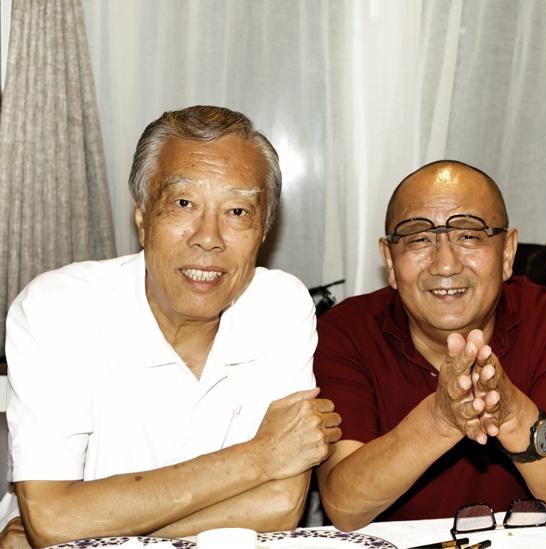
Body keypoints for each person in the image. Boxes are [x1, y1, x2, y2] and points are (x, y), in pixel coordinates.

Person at [1, 106, 341, 547]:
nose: (209, 237)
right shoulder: (60, 307)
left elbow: (279, 506)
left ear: (262, 232)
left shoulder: (279, 303)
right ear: (142, 216)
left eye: (238, 211)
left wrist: (88, 529)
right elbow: (53, 517)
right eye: (184, 204)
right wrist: (260, 457)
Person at [314, 160, 546, 530]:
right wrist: (440, 418)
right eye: (419, 238)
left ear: (507, 253)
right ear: (389, 260)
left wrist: (512, 413)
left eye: (468, 235)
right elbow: (345, 508)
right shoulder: (348, 331)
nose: (445, 265)